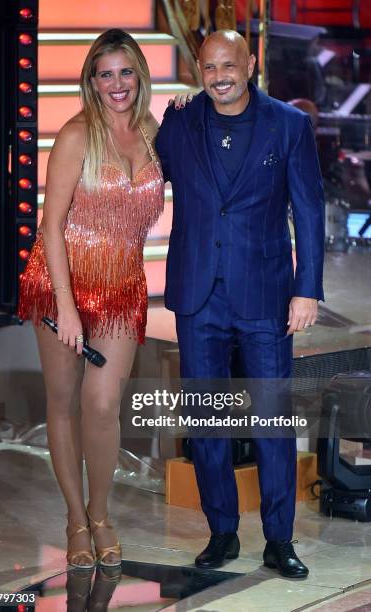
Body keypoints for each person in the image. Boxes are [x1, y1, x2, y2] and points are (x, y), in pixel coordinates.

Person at [156, 30, 325, 578]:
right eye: (209, 68)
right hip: (198, 295)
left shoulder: (289, 125)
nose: (219, 76)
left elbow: (311, 209)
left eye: (229, 65)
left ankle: (280, 539)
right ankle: (222, 532)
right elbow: (139, 172)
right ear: (197, 70)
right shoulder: (179, 121)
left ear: (250, 64)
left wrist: (307, 288)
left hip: (267, 295)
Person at [18, 28, 177, 569]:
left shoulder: (157, 133)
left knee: (103, 404)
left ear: (140, 74)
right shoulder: (75, 135)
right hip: (57, 284)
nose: (117, 83)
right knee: (62, 405)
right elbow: (51, 225)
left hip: (120, 291)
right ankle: (75, 520)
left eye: (125, 71)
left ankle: (101, 513)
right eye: (105, 73)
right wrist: (64, 307)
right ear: (91, 80)